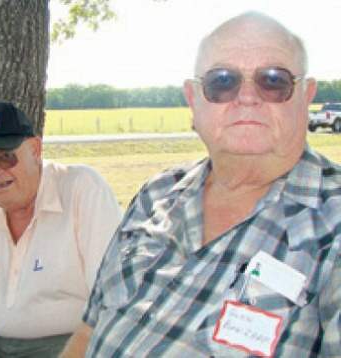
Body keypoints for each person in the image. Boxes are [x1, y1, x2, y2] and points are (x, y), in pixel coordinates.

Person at [61, 12, 341, 358]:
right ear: (193, 99)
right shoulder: (155, 195)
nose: (248, 97)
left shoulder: (333, 225)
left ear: (306, 95)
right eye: (222, 81)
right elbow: (88, 333)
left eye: (273, 80)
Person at [0, 101, 122, 358]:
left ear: (35, 149)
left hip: (74, 345)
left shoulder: (82, 189)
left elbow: (113, 299)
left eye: (4, 157)